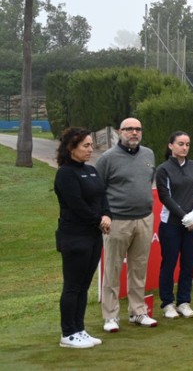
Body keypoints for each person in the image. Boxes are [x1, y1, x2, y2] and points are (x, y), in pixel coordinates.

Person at [97, 117, 158, 331]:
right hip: (117, 220)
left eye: (138, 129)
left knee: (139, 268)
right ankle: (111, 316)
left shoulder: (148, 154)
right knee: (113, 269)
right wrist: (104, 215)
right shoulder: (108, 158)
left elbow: (147, 181)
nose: (134, 133)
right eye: (129, 129)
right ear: (120, 132)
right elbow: (98, 190)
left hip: (144, 218)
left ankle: (138, 311)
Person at [54, 128, 111, 348]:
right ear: (71, 148)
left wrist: (106, 214)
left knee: (84, 285)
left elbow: (102, 196)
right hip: (74, 237)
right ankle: (68, 334)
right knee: (73, 286)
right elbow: (77, 204)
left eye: (91, 145)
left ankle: (79, 329)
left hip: (94, 235)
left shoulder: (91, 170)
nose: (90, 149)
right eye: (86, 146)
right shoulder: (65, 173)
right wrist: (100, 220)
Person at [155, 131, 193, 319]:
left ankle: (184, 301)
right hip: (171, 224)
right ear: (171, 146)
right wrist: (184, 217)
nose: (184, 148)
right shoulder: (163, 169)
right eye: (180, 144)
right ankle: (167, 303)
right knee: (169, 263)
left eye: (187, 144)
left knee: (188, 263)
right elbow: (165, 196)